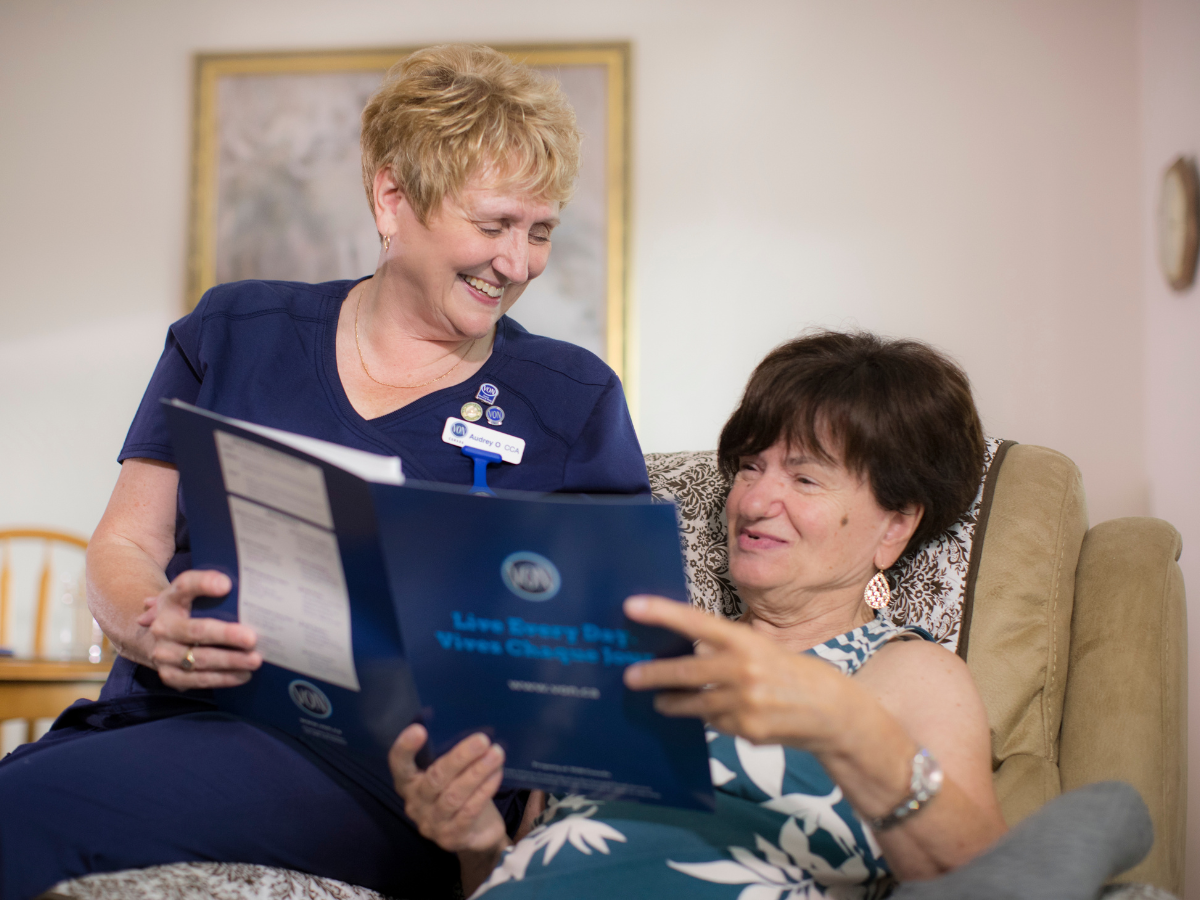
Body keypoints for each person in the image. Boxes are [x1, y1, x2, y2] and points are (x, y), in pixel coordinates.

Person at [0, 44, 647, 900]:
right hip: (175, 711)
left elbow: (613, 651)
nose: (519, 263)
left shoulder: (570, 400)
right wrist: (152, 626)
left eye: (540, 232)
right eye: (492, 226)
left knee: (19, 813)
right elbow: (126, 542)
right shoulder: (234, 332)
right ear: (393, 198)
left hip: (396, 780)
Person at [390, 331, 1011, 898]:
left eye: (805, 479)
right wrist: (479, 847)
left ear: (894, 527)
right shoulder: (623, 655)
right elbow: (537, 866)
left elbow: (987, 882)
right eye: (749, 467)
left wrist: (847, 724)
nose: (757, 499)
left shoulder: (905, 673)